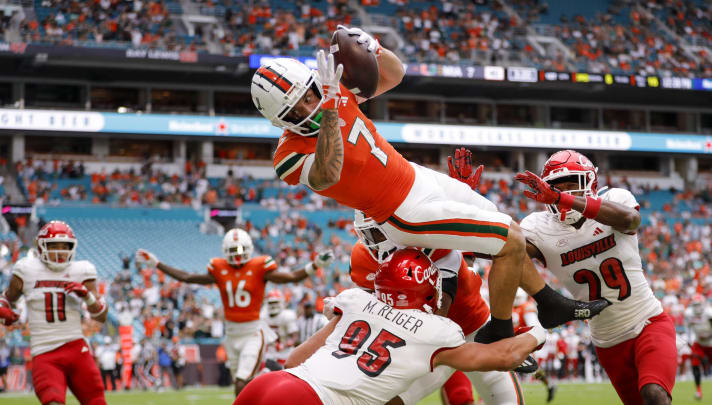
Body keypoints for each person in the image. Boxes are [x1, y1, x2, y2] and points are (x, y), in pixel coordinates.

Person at [253, 26, 607, 345]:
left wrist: (372, 45)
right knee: (509, 240)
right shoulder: (289, 153)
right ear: (280, 122)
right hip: (402, 212)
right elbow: (328, 171)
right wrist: (330, 104)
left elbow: (394, 74)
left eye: (309, 97)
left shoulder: (333, 87)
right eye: (295, 112)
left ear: (315, 82)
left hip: (416, 176)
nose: (308, 109)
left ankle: (549, 302)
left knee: (505, 223)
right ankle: (499, 328)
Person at [234, 248, 546, 405]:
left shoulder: (356, 300)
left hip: (273, 383)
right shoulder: (436, 331)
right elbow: (502, 357)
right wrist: (538, 331)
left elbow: (292, 361)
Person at [515, 150, 677, 405]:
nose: (565, 193)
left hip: (648, 321)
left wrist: (562, 198)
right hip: (607, 340)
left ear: (590, 184)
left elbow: (631, 220)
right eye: (557, 188)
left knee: (655, 395)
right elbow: (503, 252)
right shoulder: (539, 226)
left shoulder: (615, 198)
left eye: (572, 186)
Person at [349, 210, 526, 405]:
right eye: (367, 234)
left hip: (471, 328)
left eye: (378, 232)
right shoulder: (362, 257)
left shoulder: (431, 240)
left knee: (508, 401)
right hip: (419, 340)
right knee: (388, 401)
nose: (371, 242)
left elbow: (441, 312)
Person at [136, 228, 334, 396]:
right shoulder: (219, 268)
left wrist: (314, 265)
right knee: (240, 387)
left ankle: (267, 376)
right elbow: (188, 277)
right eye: (233, 251)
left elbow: (289, 276)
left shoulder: (258, 266)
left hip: (253, 332)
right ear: (224, 251)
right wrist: (157, 264)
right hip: (231, 334)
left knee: (241, 381)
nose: (237, 255)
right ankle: (267, 378)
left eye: (241, 250)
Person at [0, 221, 108, 405]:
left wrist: (87, 297)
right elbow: (7, 299)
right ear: (42, 247)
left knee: (96, 402)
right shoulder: (27, 269)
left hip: (76, 349)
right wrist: (4, 312)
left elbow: (101, 316)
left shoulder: (81, 270)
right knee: (53, 401)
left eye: (64, 246)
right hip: (44, 351)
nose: (59, 251)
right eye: (53, 246)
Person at [684, 293, 712, 400]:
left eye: (698, 304)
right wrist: (689, 340)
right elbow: (688, 328)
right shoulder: (689, 313)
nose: (696, 307)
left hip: (711, 343)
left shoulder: (710, 312)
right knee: (694, 363)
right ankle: (698, 390)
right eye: (694, 305)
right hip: (698, 343)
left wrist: (708, 336)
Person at [262, 290, 299, 369]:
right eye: (270, 303)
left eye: (275, 302)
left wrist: (284, 345)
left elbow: (295, 337)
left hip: (285, 354)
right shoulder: (263, 316)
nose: (273, 305)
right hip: (269, 353)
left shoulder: (286, 315)